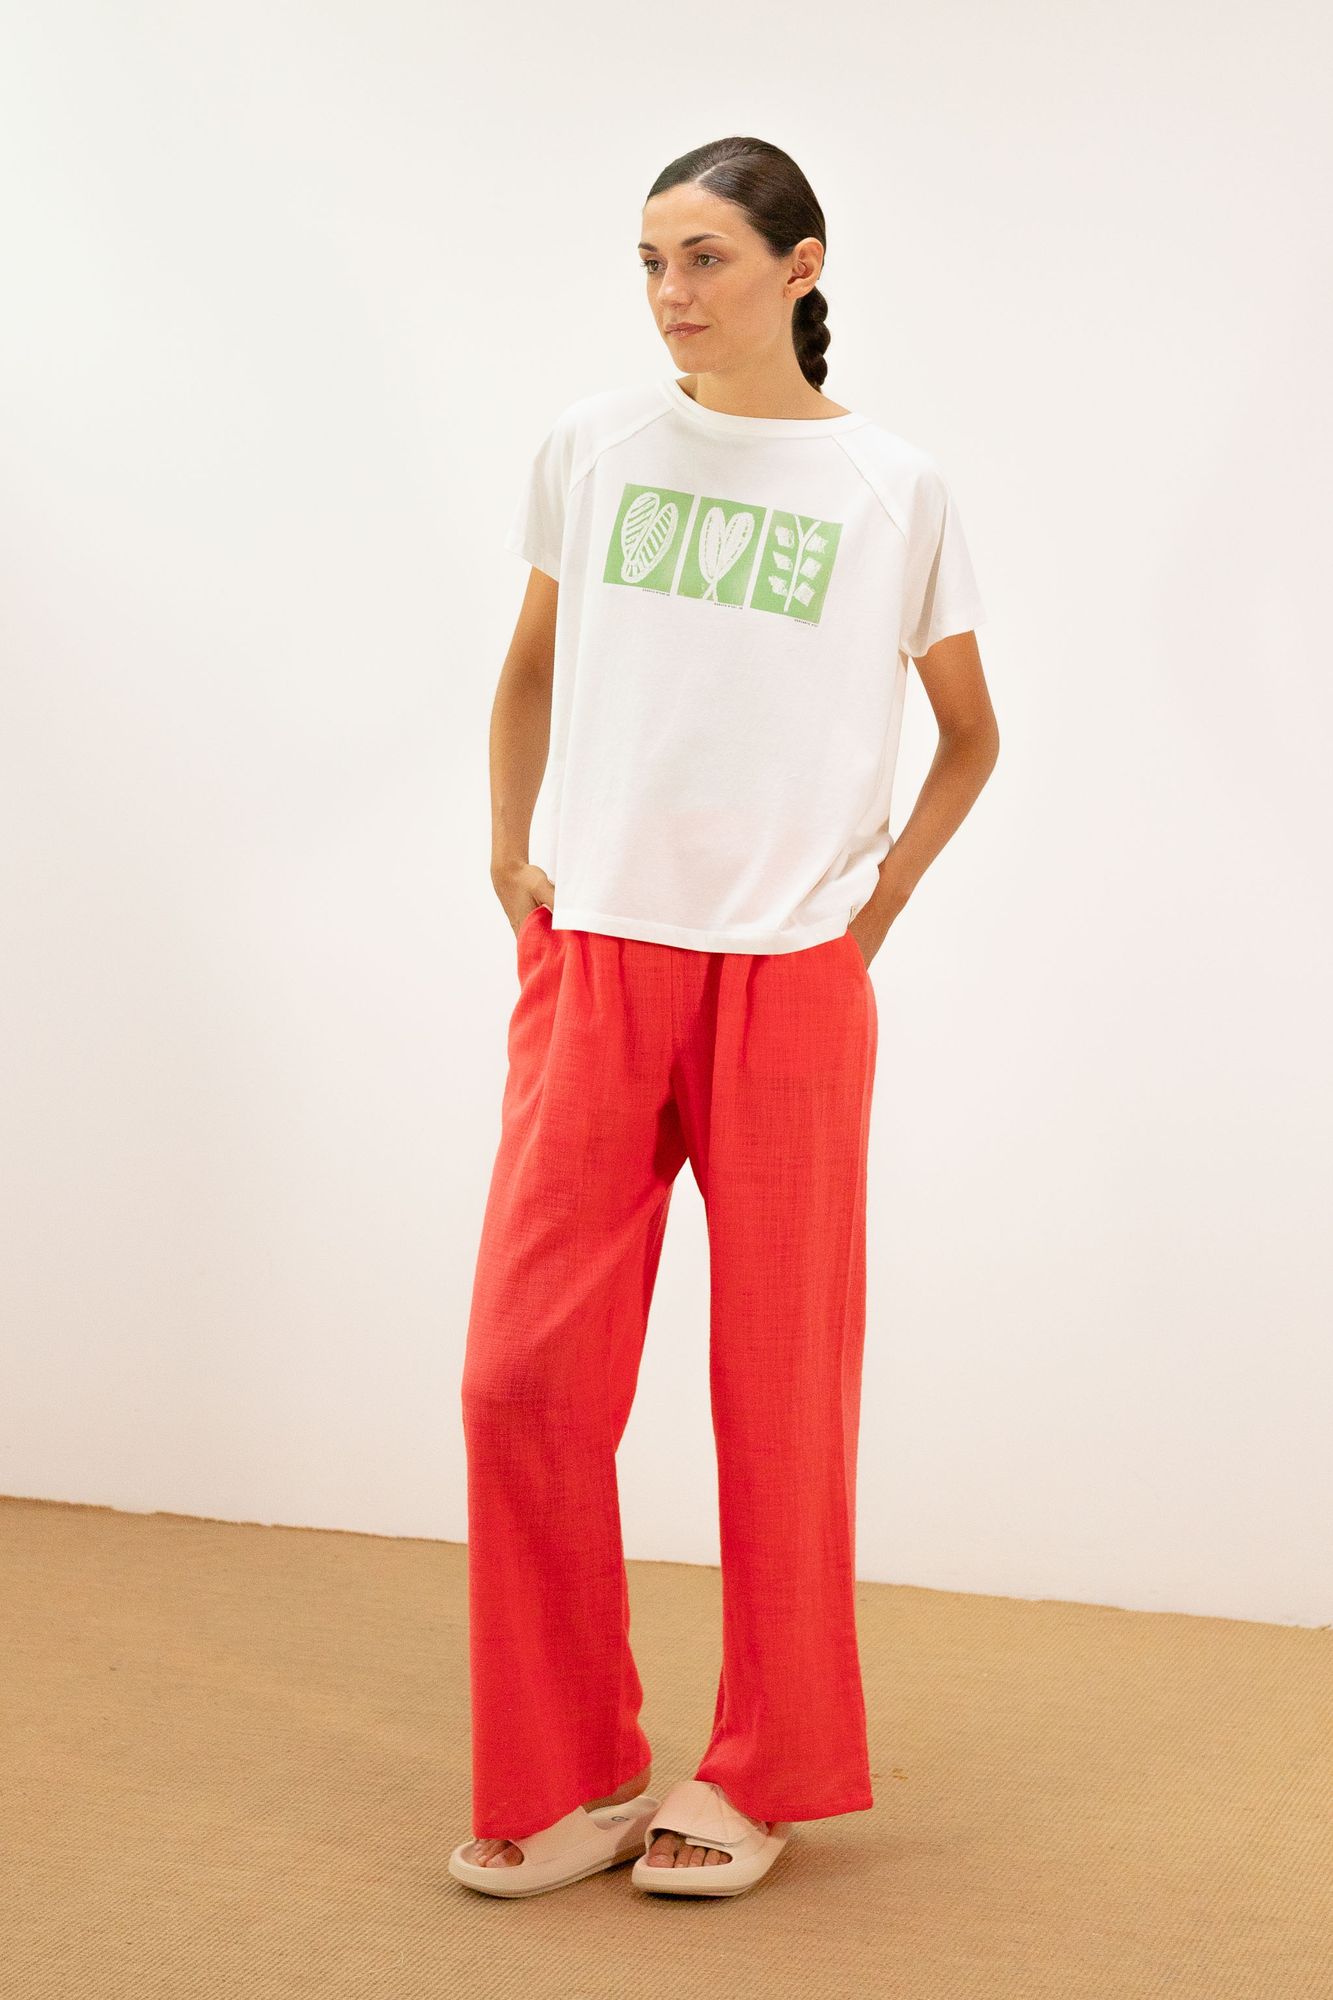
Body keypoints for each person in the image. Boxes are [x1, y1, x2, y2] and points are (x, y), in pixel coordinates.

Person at [449, 134, 1000, 1901]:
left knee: (777, 1399)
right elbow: (530, 669)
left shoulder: (892, 488)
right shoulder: (594, 446)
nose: (671, 294)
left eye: (704, 258)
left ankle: (760, 1767)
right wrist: (510, 855)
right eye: (649, 262)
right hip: (597, 961)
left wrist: (869, 915)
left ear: (798, 266)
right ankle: (575, 1767)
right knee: (520, 1379)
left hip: (787, 984)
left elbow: (969, 735)